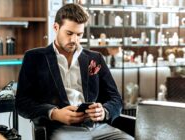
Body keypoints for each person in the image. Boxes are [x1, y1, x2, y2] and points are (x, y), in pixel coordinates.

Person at [16, 3, 133, 140]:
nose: (74, 40)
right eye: (69, 33)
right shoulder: (34, 58)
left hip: (99, 127)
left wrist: (104, 111)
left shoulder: (96, 58)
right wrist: (54, 113)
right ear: (56, 27)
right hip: (62, 129)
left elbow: (116, 99)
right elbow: (22, 103)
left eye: (79, 34)